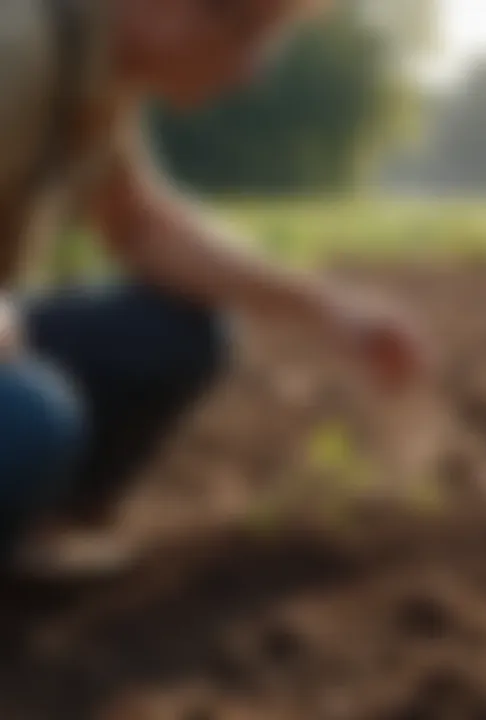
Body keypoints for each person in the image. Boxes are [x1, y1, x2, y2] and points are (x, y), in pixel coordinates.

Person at [0, 0, 428, 574]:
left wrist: (326, 306)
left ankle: (31, 530)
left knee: (170, 334)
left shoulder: (92, 71)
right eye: (248, 33)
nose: (254, 70)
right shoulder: (15, 44)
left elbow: (144, 226)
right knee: (30, 419)